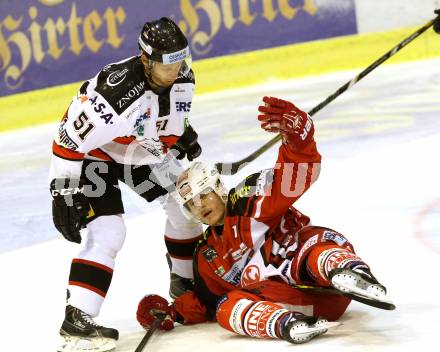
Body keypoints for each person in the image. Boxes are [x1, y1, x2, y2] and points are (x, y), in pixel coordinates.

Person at [136, 96, 395, 345]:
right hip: (299, 302)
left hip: (313, 271)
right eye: (191, 204)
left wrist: (297, 138)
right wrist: (171, 312)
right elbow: (205, 302)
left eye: (203, 194)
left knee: (310, 246)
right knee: (226, 307)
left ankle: (354, 275)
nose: (199, 205)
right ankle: (289, 325)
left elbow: (295, 178)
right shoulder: (207, 255)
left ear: (219, 187)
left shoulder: (249, 198)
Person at [50, 18, 204, 352]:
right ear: (146, 60)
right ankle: (77, 319)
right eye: (167, 62)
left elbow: (168, 118)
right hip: (96, 156)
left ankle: (186, 284)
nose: (176, 68)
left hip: (140, 151)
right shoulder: (114, 95)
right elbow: (68, 140)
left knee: (185, 206)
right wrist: (62, 193)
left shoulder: (184, 78)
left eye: (181, 58)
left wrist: (181, 134)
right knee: (109, 232)